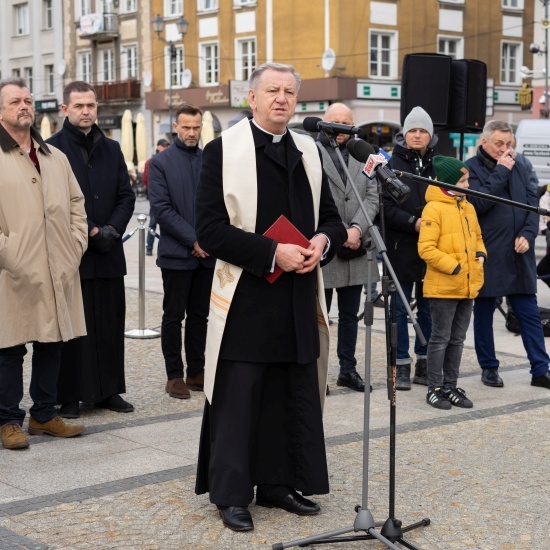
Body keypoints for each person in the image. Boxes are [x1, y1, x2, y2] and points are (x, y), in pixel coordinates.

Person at [194, 63, 347, 532]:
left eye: (289, 92)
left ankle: (280, 483)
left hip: (298, 296)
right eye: (272, 91)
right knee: (240, 397)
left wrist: (324, 242)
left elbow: (332, 219)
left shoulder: (310, 151)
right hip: (248, 296)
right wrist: (271, 252)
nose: (282, 99)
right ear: (252, 98)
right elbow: (210, 231)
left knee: (290, 393)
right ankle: (233, 493)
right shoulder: (222, 150)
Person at [0, 77, 87, 449]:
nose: (25, 106)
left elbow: (76, 206)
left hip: (58, 266)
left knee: (53, 342)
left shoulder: (55, 156)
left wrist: (75, 246)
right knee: (9, 346)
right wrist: (10, 253)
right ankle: (7, 420)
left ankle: (44, 415)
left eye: (29, 100)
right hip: (12, 270)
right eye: (16, 101)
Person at [47, 81, 136, 418]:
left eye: (91, 105)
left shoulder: (112, 148)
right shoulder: (51, 148)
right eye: (79, 106)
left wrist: (112, 229)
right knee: (72, 330)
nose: (86, 111)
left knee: (110, 324)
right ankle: (69, 396)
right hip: (72, 254)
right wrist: (89, 231)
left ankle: (108, 390)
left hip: (110, 252)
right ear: (65, 109)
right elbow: (52, 203)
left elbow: (126, 196)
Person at [466, 120, 550, 390]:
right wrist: (501, 170)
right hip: (488, 251)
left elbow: (531, 202)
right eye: (499, 144)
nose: (506, 149)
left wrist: (527, 233)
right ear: (485, 142)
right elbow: (479, 203)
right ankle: (489, 367)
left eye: (509, 144)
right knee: (484, 312)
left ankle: (540, 368)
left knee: (528, 313)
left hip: (519, 251)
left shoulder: (522, 163)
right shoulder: (471, 167)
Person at [148, 104, 215, 399]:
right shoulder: (161, 163)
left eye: (196, 127)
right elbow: (162, 209)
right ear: (175, 127)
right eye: (186, 127)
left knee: (201, 316)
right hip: (177, 254)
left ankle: (197, 371)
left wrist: (208, 240)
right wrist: (194, 240)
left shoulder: (209, 159)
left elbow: (217, 204)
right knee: (173, 316)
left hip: (207, 254)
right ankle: (174, 375)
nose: (191, 132)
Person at [316, 102, 379, 392]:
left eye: (346, 122)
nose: (341, 128)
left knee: (351, 315)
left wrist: (356, 228)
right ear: (325, 123)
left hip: (356, 246)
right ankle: (318, 372)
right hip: (325, 246)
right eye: (335, 122)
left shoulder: (362, 154)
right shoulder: (312, 153)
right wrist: (339, 232)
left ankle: (348, 369)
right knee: (320, 317)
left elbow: (372, 195)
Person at [418, 156, 486, 410]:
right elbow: (426, 248)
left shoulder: (467, 206)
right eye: (463, 180)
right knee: (440, 338)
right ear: (448, 182)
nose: (468, 184)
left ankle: (450, 385)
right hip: (444, 285)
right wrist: (454, 266)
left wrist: (481, 254)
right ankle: (434, 388)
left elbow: (478, 236)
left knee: (458, 338)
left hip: (467, 284)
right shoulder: (434, 208)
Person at [386, 106, 436, 390]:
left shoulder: (438, 165)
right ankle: (401, 365)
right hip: (401, 246)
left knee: (428, 309)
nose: (417, 136)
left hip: (431, 249)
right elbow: (384, 207)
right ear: (404, 134)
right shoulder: (391, 164)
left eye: (422, 131)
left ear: (430, 135)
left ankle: (425, 362)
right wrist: (412, 222)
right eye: (412, 131)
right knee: (399, 310)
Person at [143, 138, 170, 256]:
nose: (166, 148)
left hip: (168, 197)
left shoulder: (169, 160)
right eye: (164, 146)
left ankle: (165, 247)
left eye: (167, 146)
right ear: (158, 147)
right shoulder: (151, 161)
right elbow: (146, 179)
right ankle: (149, 247)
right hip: (156, 198)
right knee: (153, 222)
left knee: (166, 223)